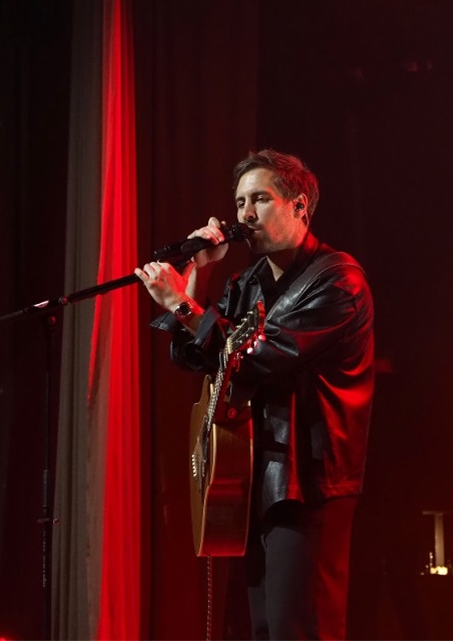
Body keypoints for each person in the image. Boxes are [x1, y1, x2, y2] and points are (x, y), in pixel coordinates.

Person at [135, 149, 375, 640]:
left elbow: (266, 356)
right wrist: (197, 275)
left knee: (299, 628)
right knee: (263, 629)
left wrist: (181, 304)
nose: (244, 214)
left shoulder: (338, 280)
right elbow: (197, 359)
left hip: (307, 482)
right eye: (240, 201)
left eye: (260, 199)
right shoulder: (250, 283)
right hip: (253, 477)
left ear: (299, 205)